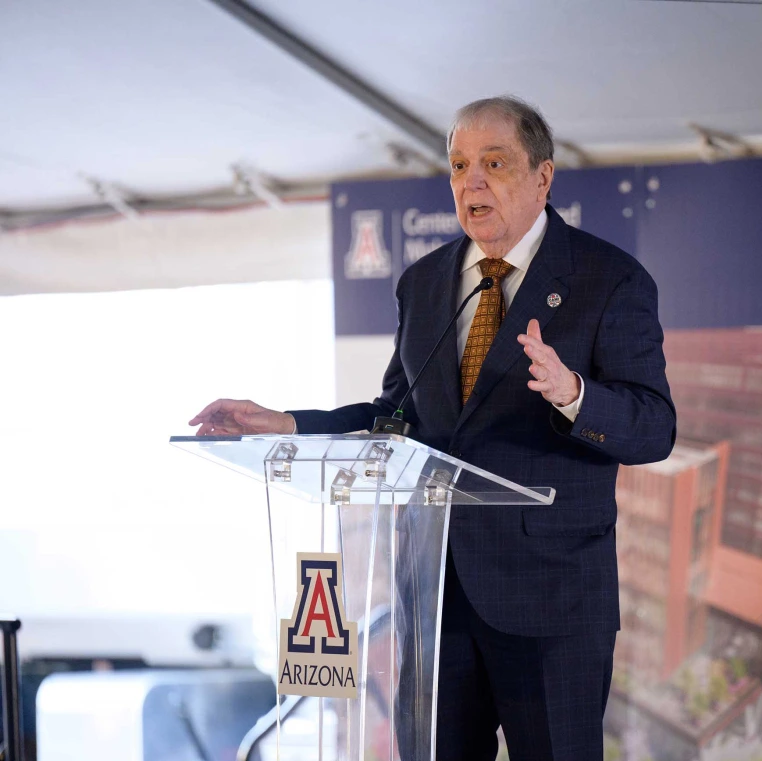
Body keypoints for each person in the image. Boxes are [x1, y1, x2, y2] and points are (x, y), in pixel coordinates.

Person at [189, 96, 676, 761]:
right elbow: (397, 416)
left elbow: (654, 427)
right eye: (458, 164)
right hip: (437, 600)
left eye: (493, 162)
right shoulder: (424, 283)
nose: (471, 181)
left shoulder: (608, 279)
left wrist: (574, 393)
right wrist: (290, 422)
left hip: (552, 603)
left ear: (543, 177)